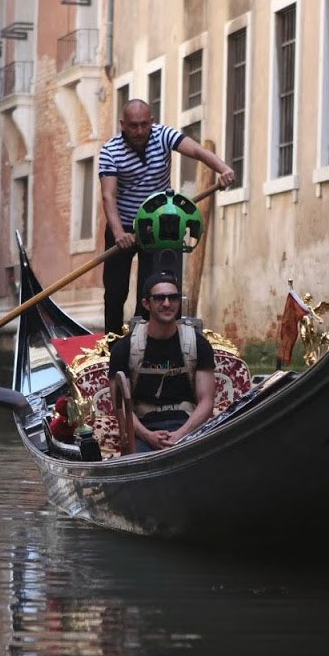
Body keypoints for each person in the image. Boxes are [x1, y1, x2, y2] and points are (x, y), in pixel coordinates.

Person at [98, 99, 235, 333]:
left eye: (144, 124)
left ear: (151, 122)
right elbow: (108, 196)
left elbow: (199, 151)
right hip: (122, 227)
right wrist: (120, 233)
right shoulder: (110, 151)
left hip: (156, 228)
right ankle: (111, 345)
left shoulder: (163, 135)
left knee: (153, 288)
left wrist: (223, 170)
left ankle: (149, 341)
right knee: (115, 291)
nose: (139, 131)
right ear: (123, 124)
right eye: (133, 126)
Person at [107, 273, 216, 452]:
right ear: (146, 303)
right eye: (159, 298)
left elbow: (206, 402)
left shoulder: (198, 344)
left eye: (173, 298)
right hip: (143, 429)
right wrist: (148, 436)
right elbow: (121, 409)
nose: (167, 304)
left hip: (187, 425)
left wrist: (180, 434)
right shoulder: (123, 349)